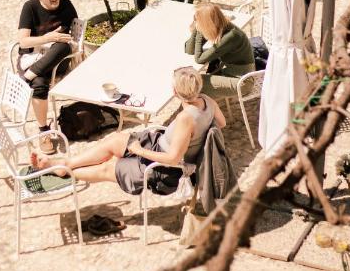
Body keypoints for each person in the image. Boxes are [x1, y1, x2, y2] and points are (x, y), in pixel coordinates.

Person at [43, 67, 225, 194]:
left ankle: (66, 171)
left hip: (166, 170)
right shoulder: (207, 100)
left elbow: (173, 159)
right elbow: (221, 123)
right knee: (114, 140)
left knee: (109, 167)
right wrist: (201, 133)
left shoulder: (186, 118)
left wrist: (139, 150)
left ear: (175, 92)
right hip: (157, 144)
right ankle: (66, 163)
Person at [17, 0, 77, 143]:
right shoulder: (30, 7)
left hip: (58, 58)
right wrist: (47, 38)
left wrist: (62, 42)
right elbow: (22, 42)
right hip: (33, 56)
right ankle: (44, 132)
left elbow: (76, 37)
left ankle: (26, 78)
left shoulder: (67, 5)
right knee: (40, 84)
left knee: (63, 46)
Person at [184, 2, 254, 99]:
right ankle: (203, 109)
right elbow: (189, 50)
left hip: (243, 82)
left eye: (198, 20)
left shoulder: (231, 35)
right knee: (195, 82)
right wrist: (197, 29)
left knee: (196, 82)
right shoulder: (218, 26)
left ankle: (203, 111)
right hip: (228, 72)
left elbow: (199, 59)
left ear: (207, 22)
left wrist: (199, 31)